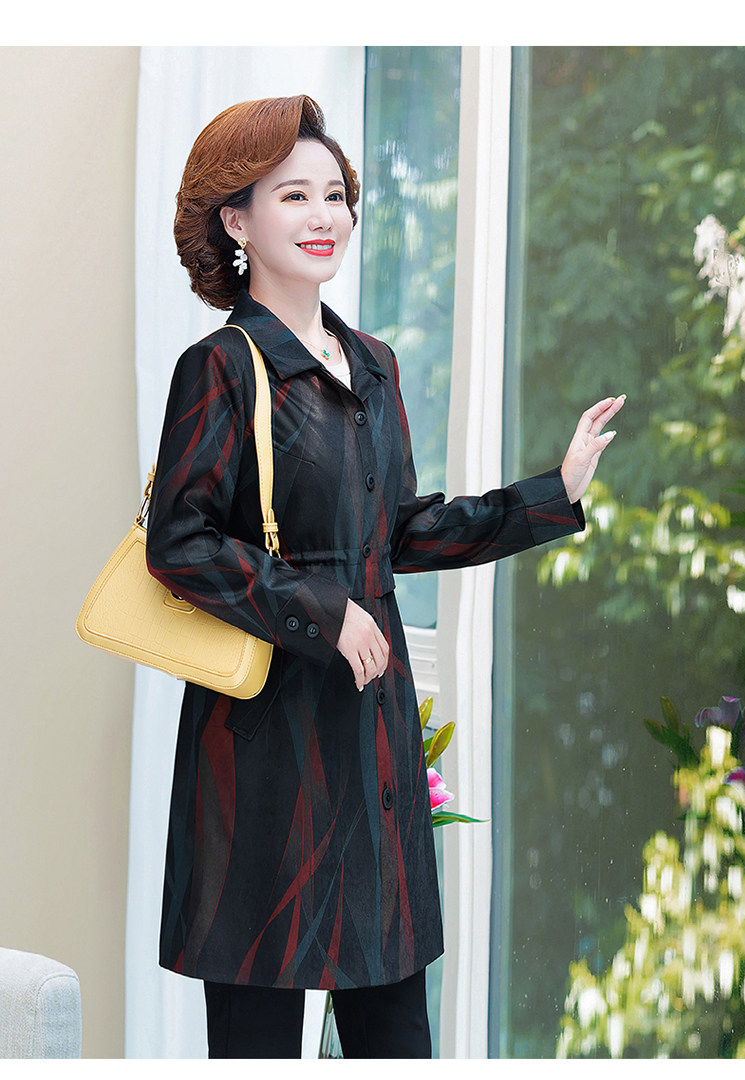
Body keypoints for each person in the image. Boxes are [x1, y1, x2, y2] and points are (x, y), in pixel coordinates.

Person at [145, 94, 625, 1059]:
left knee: (396, 1034)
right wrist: (323, 609)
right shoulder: (221, 368)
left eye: (336, 195)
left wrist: (554, 491)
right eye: (293, 196)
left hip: (370, 749)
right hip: (265, 758)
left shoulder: (374, 365)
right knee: (256, 1039)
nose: (324, 215)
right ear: (237, 221)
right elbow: (179, 543)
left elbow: (401, 531)